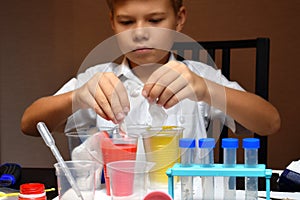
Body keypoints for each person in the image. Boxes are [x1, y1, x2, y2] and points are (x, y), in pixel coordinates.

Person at [21, 0, 280, 139]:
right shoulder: (97, 79)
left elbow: (269, 123)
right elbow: (29, 124)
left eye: (155, 20)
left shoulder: (200, 76)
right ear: (112, 22)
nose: (141, 32)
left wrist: (205, 89)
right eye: (126, 22)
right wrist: (76, 98)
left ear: (179, 19)